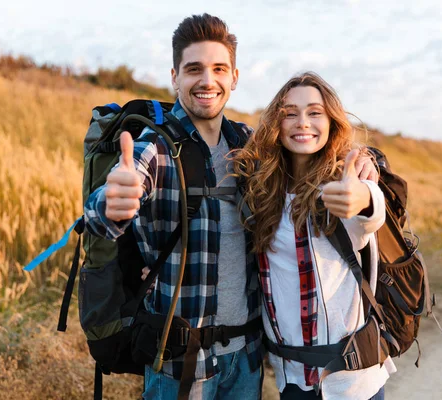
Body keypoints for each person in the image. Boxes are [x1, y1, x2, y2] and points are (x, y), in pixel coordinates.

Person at [84, 14, 378, 400]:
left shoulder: (249, 146)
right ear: (175, 77)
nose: (208, 81)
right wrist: (111, 203)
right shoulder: (153, 149)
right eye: (194, 69)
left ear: (234, 77)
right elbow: (99, 213)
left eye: (219, 69)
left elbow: (316, 148)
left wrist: (368, 162)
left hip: (247, 357)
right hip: (180, 364)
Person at [232, 72, 396, 400]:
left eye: (315, 112)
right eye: (290, 113)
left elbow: (371, 210)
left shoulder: (344, 183)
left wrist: (362, 197)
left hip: (350, 381)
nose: (302, 122)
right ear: (275, 124)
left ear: (332, 121)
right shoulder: (262, 191)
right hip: (291, 377)